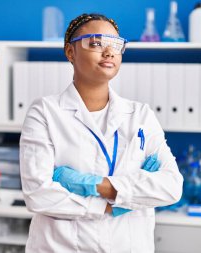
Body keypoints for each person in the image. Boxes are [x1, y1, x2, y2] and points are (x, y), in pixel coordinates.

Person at [20, 13, 183, 253]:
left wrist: (95, 185)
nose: (108, 52)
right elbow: (38, 194)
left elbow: (171, 186)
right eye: (96, 43)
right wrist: (112, 205)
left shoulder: (140, 116)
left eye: (115, 45)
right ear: (70, 52)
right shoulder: (45, 113)